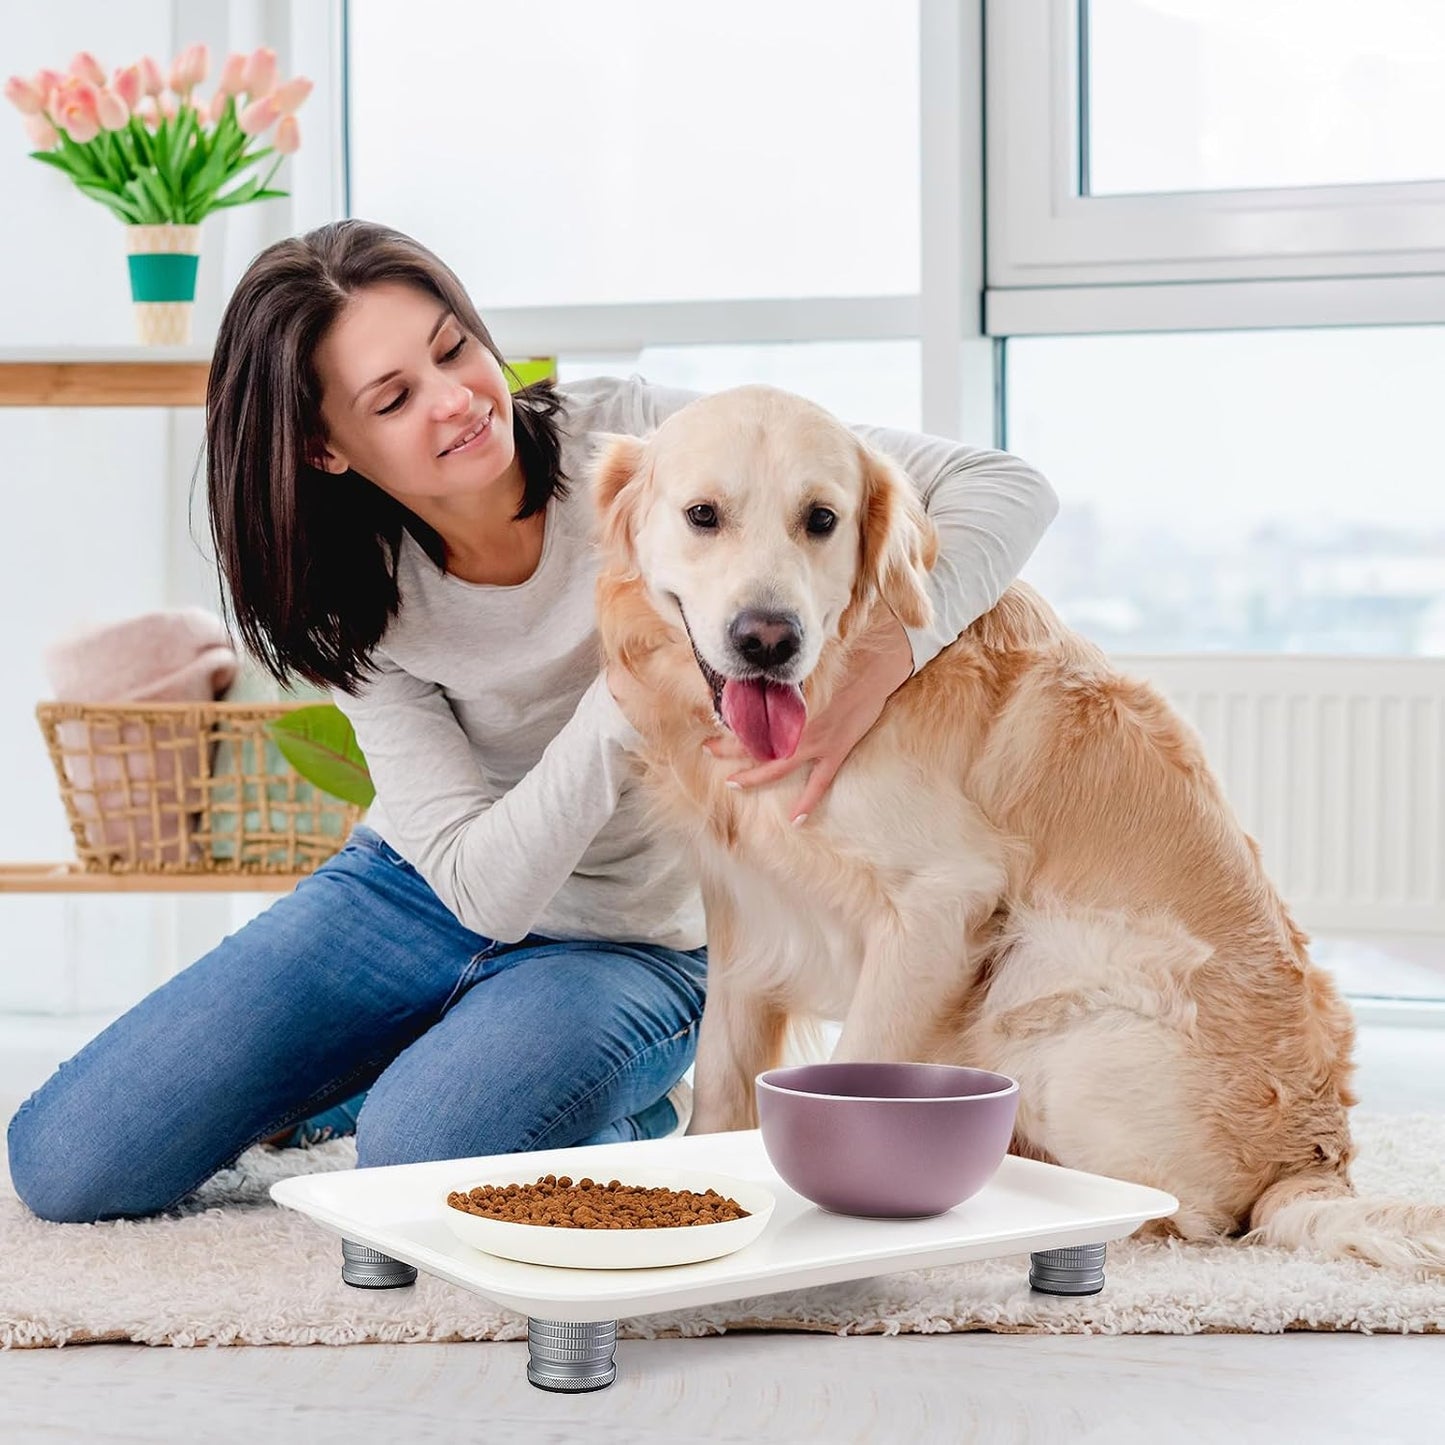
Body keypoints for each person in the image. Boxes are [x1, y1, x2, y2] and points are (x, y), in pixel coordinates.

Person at [6, 220, 1057, 1282]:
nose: (456, 398)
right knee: (67, 1163)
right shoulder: (346, 588)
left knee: (417, 1158)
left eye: (453, 348)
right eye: (393, 397)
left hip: (623, 941)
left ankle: (613, 1093)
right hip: (413, 890)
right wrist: (620, 701)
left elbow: (1004, 486)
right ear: (327, 446)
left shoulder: (646, 443)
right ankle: (410, 1061)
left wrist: (879, 660)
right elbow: (481, 891)